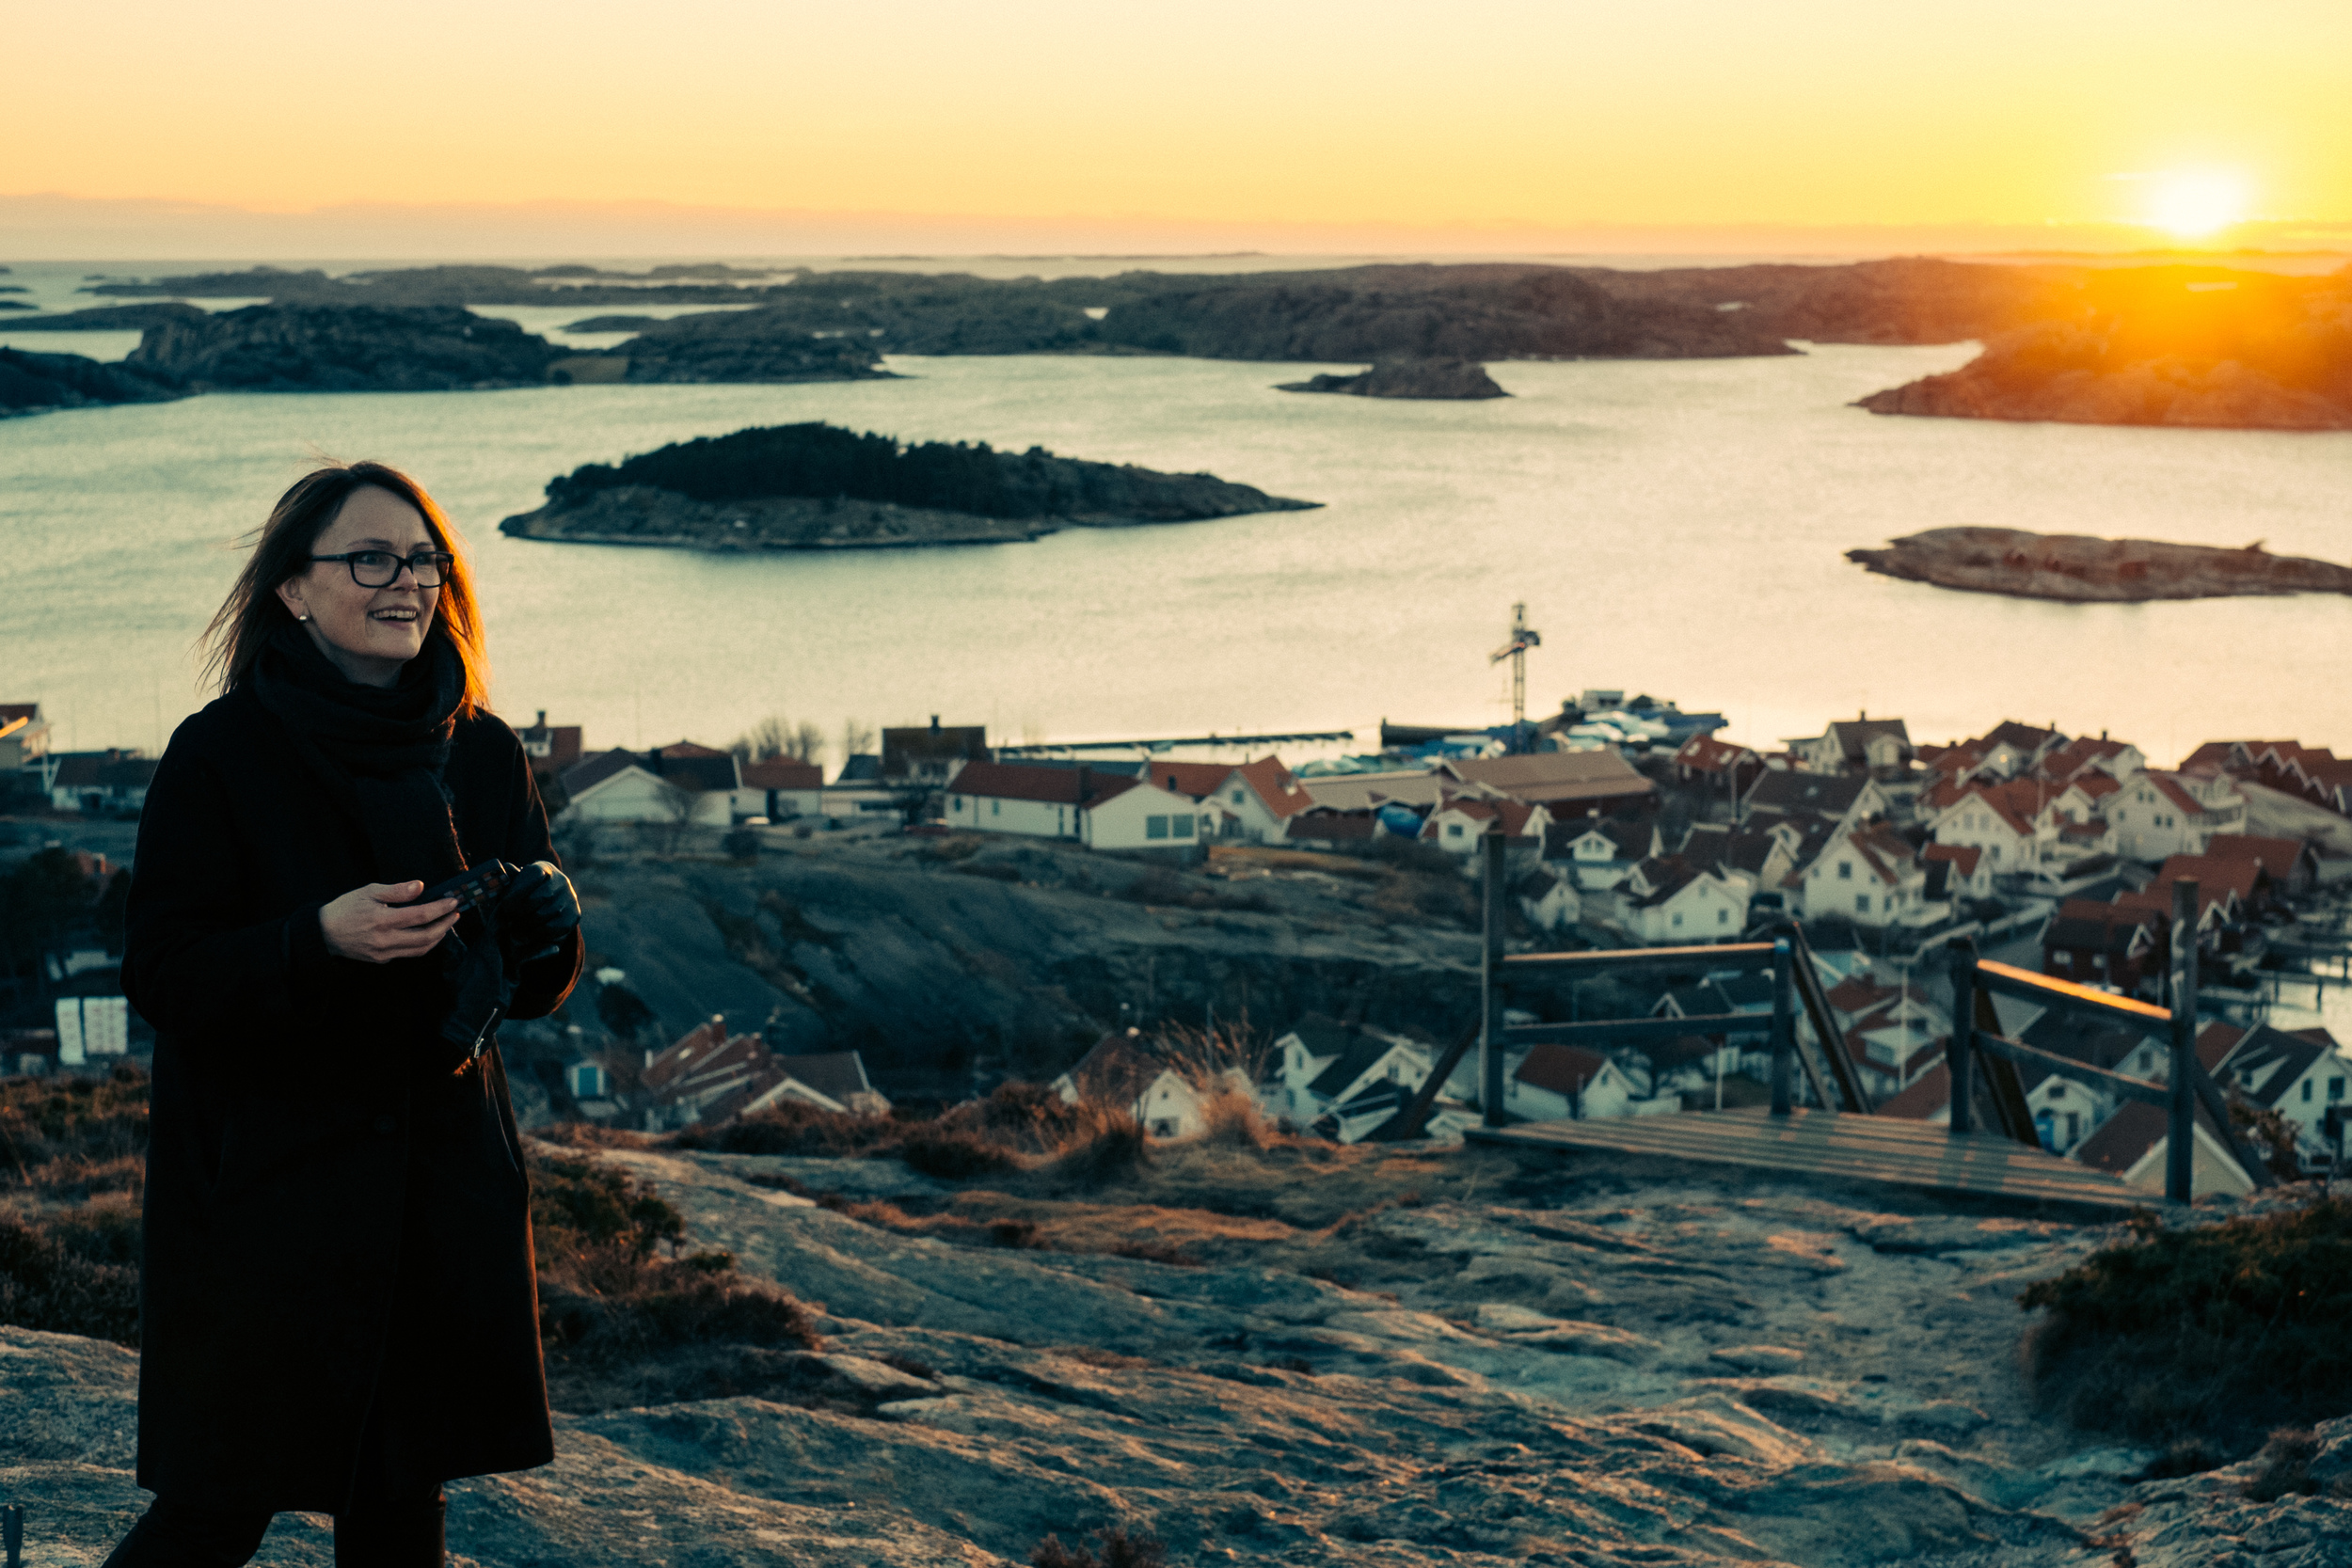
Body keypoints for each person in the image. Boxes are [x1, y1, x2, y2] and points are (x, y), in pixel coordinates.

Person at [109, 461, 583, 1568]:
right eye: (370, 558)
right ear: (292, 588)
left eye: (423, 559)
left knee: (402, 1501)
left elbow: (531, 985)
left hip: (435, 1185)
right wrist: (315, 936)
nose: (406, 582)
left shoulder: (482, 747)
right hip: (267, 1194)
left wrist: (549, 925)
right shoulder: (219, 753)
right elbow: (163, 972)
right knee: (216, 1503)